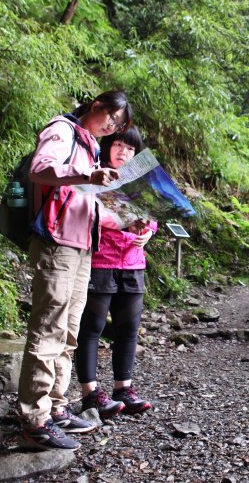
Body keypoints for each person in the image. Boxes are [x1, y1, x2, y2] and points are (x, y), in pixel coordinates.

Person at [18, 91, 133, 451]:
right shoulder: (63, 131)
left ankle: (56, 406)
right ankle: (34, 419)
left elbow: (86, 202)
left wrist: (128, 220)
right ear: (96, 106)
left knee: (69, 331)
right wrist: (87, 173)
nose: (111, 127)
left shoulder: (91, 146)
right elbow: (41, 168)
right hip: (57, 242)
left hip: (83, 246)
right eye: (111, 119)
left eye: (118, 125)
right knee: (48, 326)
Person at [75, 127, 155, 419]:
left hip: (133, 263)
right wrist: (120, 221)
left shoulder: (141, 183)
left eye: (131, 149)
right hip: (101, 260)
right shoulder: (95, 175)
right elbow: (85, 211)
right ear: (108, 146)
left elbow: (153, 216)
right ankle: (90, 395)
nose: (124, 152)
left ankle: (124, 389)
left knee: (128, 330)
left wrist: (149, 232)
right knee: (92, 328)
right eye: (119, 145)